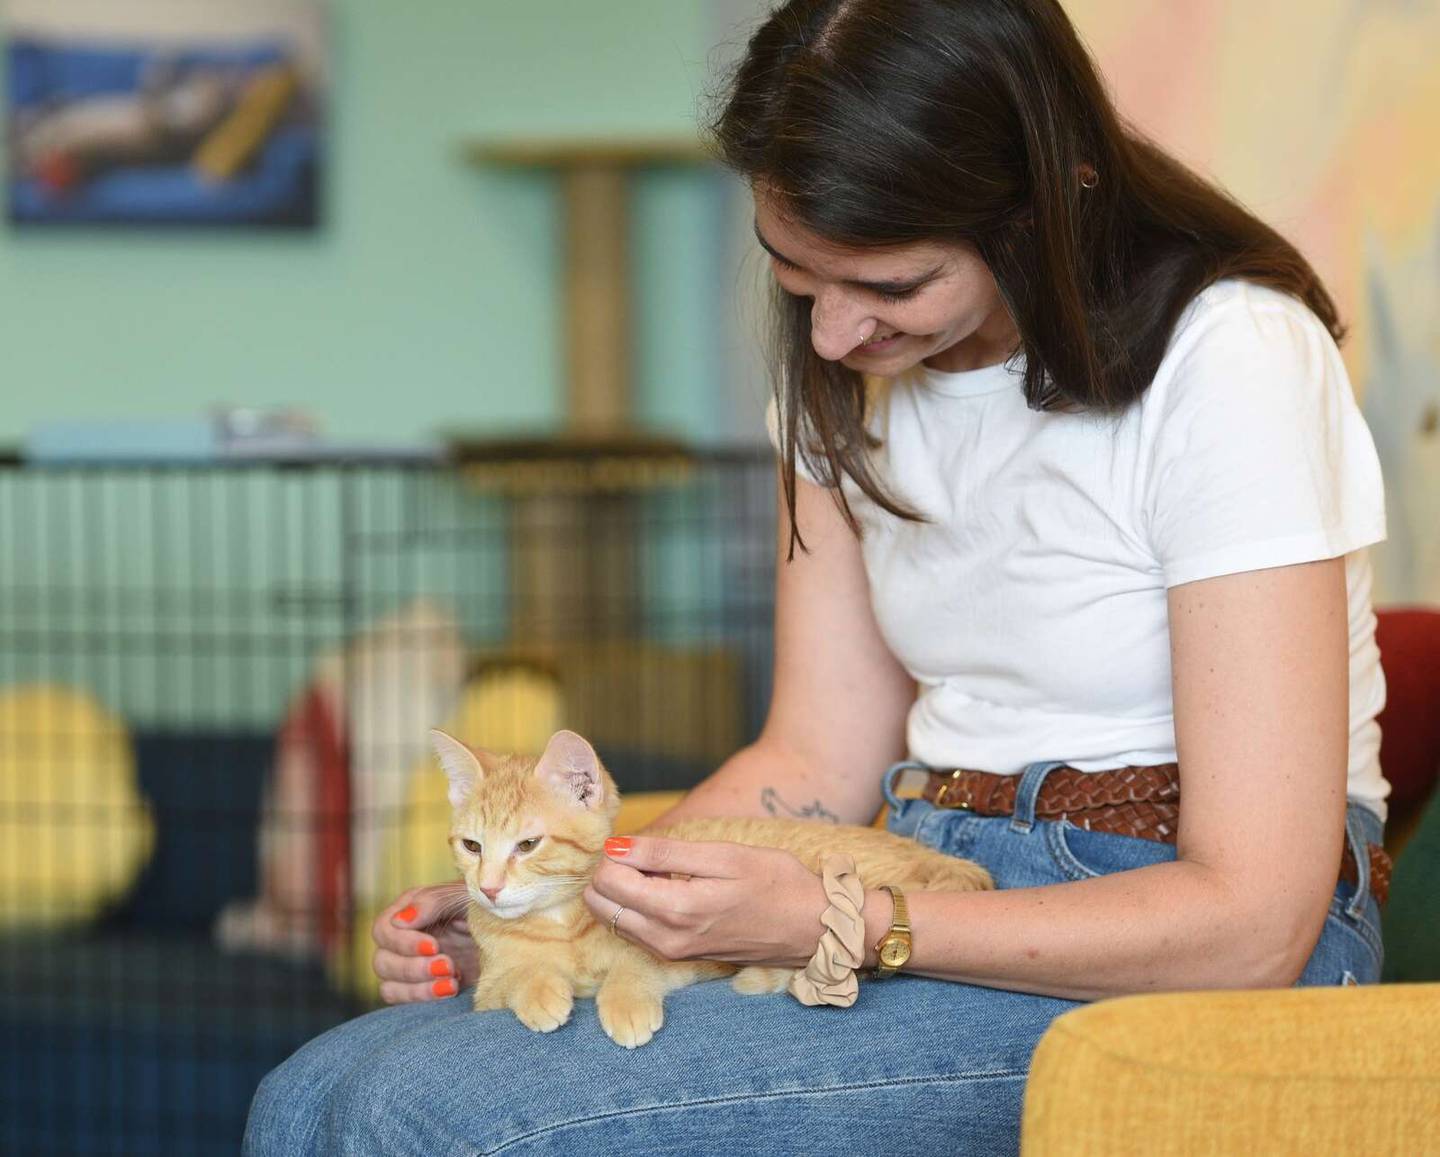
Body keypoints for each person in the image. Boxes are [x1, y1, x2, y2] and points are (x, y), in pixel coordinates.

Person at [244, 1, 1389, 1152]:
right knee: (310, 1091)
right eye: (797, 277)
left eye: (891, 287)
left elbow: (1252, 922)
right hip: (898, 856)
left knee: (431, 1115)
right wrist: (563, 897)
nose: (835, 335)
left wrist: (842, 917)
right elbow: (815, 757)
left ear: (1039, 201)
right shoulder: (842, 377)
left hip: (1165, 938)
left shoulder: (1230, 357)